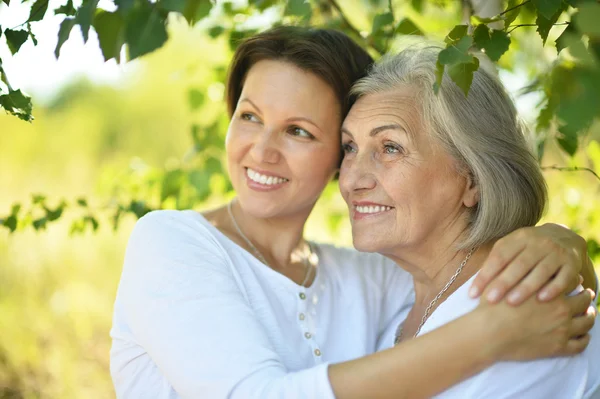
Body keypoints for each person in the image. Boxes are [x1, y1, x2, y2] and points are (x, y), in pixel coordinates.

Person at [110, 26, 597, 398]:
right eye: (249, 116)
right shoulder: (172, 242)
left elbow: (458, 266)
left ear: (472, 177)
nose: (261, 150)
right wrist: (487, 336)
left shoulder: (378, 278)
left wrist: (560, 242)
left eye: (299, 130)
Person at [338, 42, 600, 398]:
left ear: (473, 179)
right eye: (349, 147)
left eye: (390, 148)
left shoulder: (531, 306)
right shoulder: (398, 310)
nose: (352, 179)